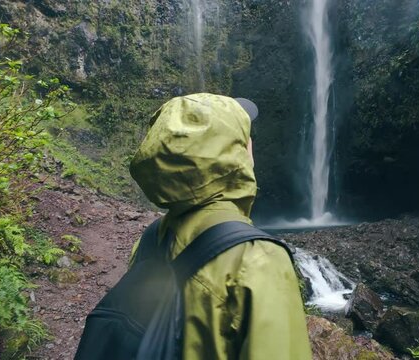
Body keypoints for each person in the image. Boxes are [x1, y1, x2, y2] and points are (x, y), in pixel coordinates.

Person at [129, 93, 313, 359]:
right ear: (234, 154)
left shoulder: (148, 241)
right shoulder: (256, 258)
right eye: (243, 136)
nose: (250, 142)